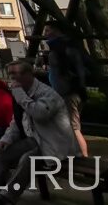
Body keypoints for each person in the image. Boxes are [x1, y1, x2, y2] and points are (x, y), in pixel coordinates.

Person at [0, 59, 77, 205]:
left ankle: (6, 198)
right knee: (0, 152)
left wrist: (20, 96)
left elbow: (39, 114)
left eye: (16, 73)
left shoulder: (47, 94)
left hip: (55, 144)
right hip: (36, 140)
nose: (12, 77)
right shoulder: (22, 94)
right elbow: (16, 122)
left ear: (28, 74)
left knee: (28, 158)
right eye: (10, 74)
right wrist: (5, 140)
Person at [41, 23, 90, 157]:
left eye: (48, 30)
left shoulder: (59, 49)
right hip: (75, 90)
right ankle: (74, 154)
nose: (45, 33)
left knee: (73, 127)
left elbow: (60, 73)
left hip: (67, 92)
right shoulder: (71, 45)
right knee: (70, 126)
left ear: (56, 31)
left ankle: (84, 156)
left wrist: (61, 90)